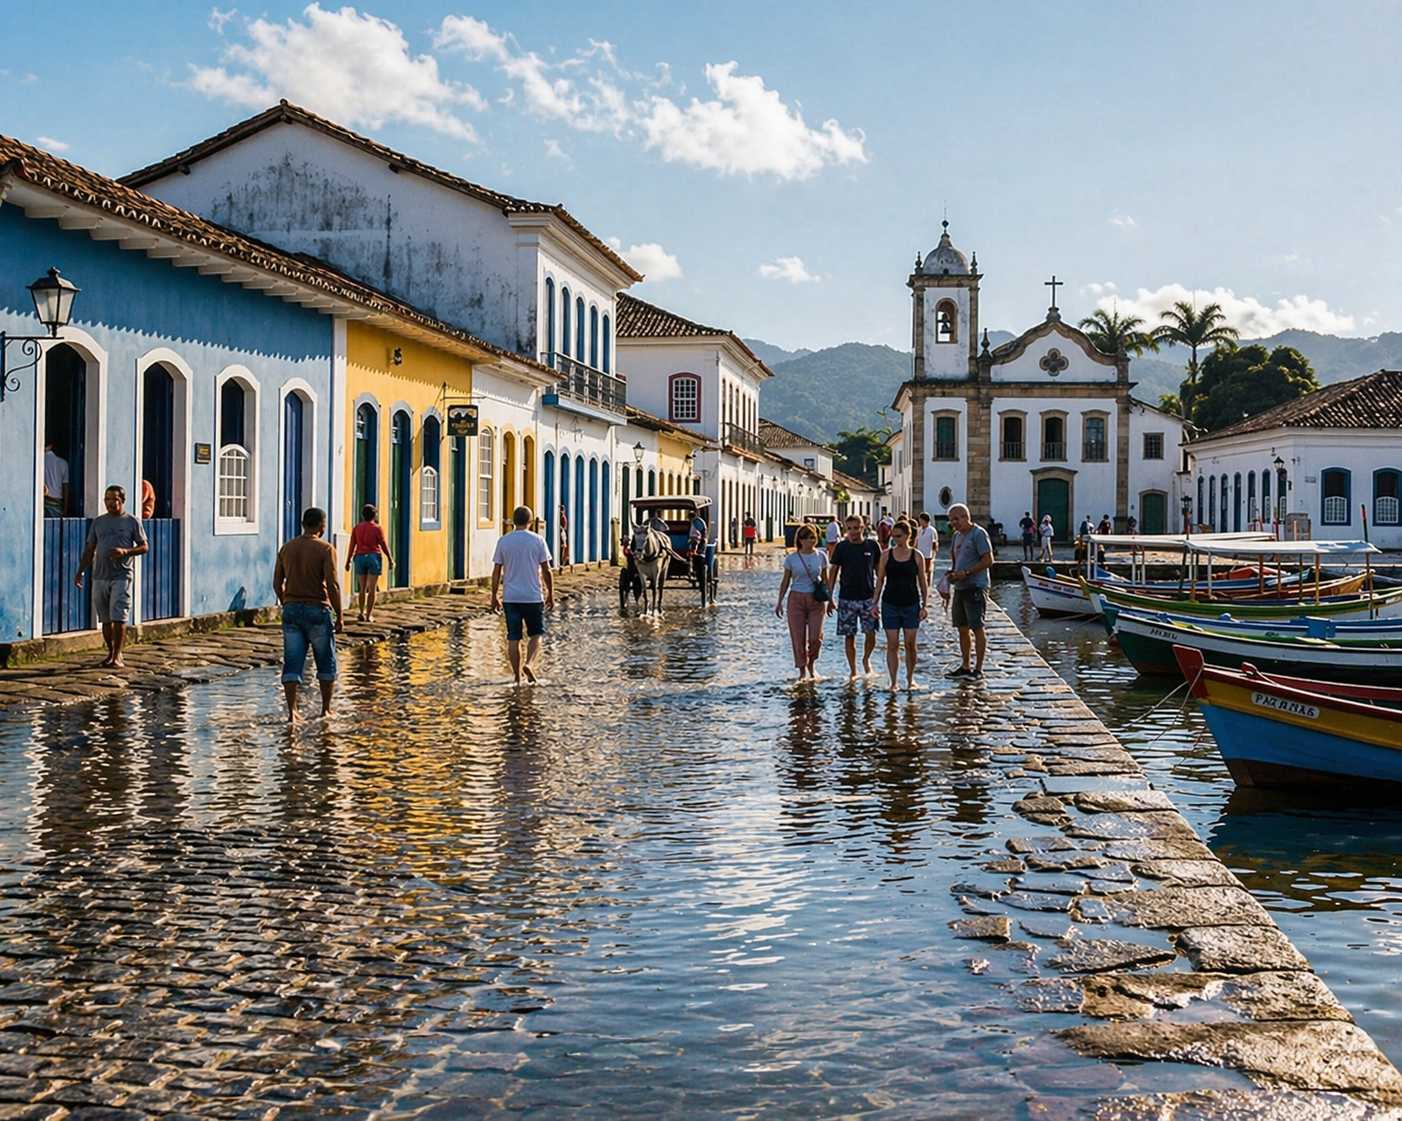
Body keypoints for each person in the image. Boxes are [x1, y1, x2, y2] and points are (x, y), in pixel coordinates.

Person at [273, 506, 344, 722]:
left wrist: (286, 600)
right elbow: (332, 584)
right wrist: (340, 615)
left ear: (303, 524)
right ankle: (325, 709)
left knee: (292, 661)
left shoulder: (286, 548)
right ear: (323, 526)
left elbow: (277, 582)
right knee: (325, 661)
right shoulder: (325, 549)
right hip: (317, 610)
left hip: (292, 610)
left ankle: (292, 712)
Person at [74, 485, 149, 669]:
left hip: (122, 574)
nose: (111, 503)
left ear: (122, 501)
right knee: (105, 619)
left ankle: (117, 656)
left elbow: (144, 546)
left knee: (119, 616)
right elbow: (90, 549)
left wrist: (125, 551)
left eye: (115, 499)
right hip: (100, 575)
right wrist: (80, 571)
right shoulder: (98, 522)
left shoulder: (132, 521)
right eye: (107, 499)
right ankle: (111, 652)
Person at [490, 505, 555, 685]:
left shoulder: (503, 541)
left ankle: (517, 678)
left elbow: (496, 571)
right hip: (532, 596)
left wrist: (494, 595)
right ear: (530, 522)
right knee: (536, 634)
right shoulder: (538, 541)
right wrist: (551, 593)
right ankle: (529, 664)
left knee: (513, 637)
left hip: (510, 597)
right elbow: (546, 570)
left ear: (513, 521)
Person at [870, 518, 928, 691]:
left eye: (899, 536)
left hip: (911, 603)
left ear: (908, 536)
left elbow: (923, 582)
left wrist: (925, 604)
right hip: (890, 603)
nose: (895, 539)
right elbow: (880, 581)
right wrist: (874, 603)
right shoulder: (886, 554)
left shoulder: (917, 556)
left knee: (910, 644)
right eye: (893, 536)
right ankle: (893, 682)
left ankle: (910, 679)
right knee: (892, 644)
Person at [943, 503, 994, 680]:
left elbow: (988, 560)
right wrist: (951, 575)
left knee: (977, 627)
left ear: (966, 517)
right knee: (962, 628)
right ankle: (965, 666)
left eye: (956, 519)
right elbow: (958, 561)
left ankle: (978, 669)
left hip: (975, 586)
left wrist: (965, 573)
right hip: (960, 587)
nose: (954, 523)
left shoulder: (978, 534)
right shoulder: (957, 536)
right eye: (951, 521)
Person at [828, 514, 881, 678]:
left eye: (856, 528)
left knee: (871, 633)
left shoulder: (872, 546)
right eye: (849, 528)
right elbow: (833, 572)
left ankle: (866, 659)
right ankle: (853, 670)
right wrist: (829, 597)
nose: (853, 531)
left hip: (868, 598)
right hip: (846, 597)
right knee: (849, 635)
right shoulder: (841, 548)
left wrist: (878, 597)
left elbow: (880, 572)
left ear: (863, 528)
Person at [776, 524, 830, 680]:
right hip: (796, 599)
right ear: (799, 540)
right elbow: (785, 582)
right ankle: (802, 671)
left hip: (816, 599)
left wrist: (831, 600)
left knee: (815, 637)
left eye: (813, 537)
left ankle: (812, 664)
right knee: (798, 638)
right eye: (806, 538)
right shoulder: (791, 558)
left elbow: (826, 580)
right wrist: (779, 602)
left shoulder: (821, 556)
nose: (810, 541)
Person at [345, 503, 395, 622]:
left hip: (359, 557)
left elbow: (352, 545)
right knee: (372, 589)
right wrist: (390, 558)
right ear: (374, 515)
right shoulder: (377, 529)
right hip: (373, 556)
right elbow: (383, 544)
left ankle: (361, 612)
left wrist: (348, 561)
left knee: (362, 588)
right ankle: (369, 615)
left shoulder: (357, 528)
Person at [42, 442, 68, 518]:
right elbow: (65, 488)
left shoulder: (39, 460)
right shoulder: (62, 464)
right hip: (56, 504)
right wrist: (65, 510)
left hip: (42, 503)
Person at [915, 511, 938, 578]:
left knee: (927, 572)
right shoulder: (919, 530)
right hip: (919, 554)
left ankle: (927, 586)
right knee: (919, 572)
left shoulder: (932, 530)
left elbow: (934, 544)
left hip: (928, 555)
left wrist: (933, 556)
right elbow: (917, 541)